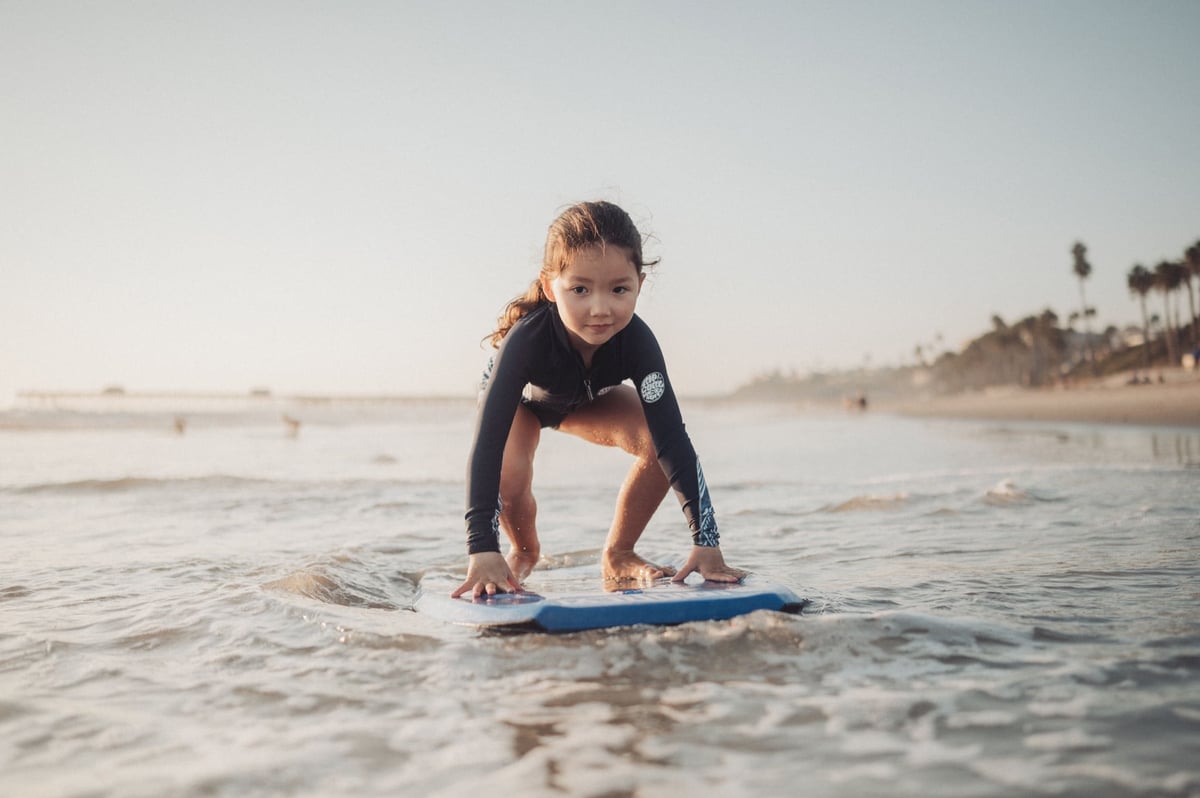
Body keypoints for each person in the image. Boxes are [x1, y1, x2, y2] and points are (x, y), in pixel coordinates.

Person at [453, 201, 746, 598]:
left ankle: (620, 553)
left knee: (656, 443)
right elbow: (486, 442)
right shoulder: (527, 342)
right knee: (511, 474)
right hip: (521, 404)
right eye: (580, 289)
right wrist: (480, 549)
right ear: (548, 286)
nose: (600, 309)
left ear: (640, 284)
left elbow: (673, 438)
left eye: (619, 289)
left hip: (584, 400)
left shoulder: (638, 343)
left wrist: (706, 541)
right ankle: (522, 550)